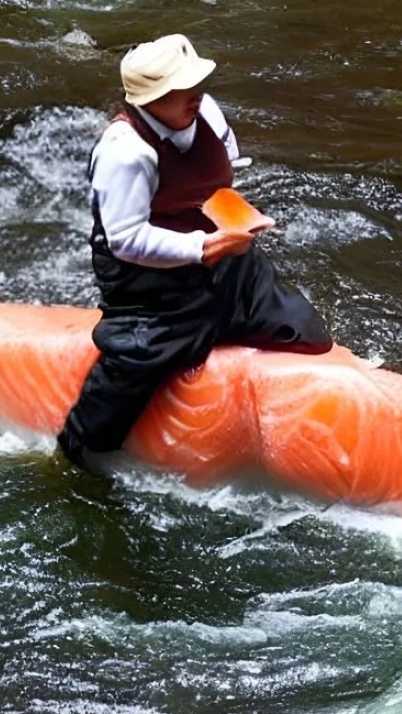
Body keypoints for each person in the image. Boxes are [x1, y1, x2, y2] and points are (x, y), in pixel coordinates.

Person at [57, 33, 332, 468]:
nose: (195, 94)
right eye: (181, 89)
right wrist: (201, 247)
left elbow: (225, 173)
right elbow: (125, 238)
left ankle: (214, 347)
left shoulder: (205, 111)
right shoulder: (125, 151)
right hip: (148, 283)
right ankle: (73, 451)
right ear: (152, 99)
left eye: (195, 83)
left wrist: (234, 222)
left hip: (221, 255)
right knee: (137, 363)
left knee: (306, 333)